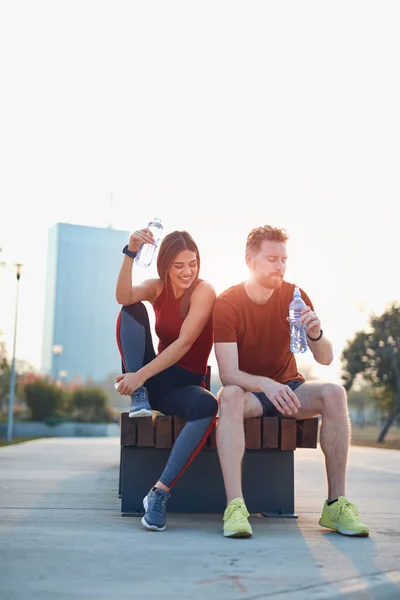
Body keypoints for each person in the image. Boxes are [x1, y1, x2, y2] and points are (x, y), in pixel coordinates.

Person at [212, 225, 370, 539]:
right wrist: (266, 385)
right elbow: (229, 373)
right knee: (227, 395)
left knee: (334, 393)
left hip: (290, 388)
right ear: (249, 260)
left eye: (284, 259)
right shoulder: (228, 302)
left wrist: (316, 334)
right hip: (251, 393)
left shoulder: (294, 295)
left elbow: (325, 358)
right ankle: (235, 506)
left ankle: (336, 504)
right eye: (272, 259)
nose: (280, 266)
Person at [115, 227, 218, 531]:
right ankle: (139, 397)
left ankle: (159, 493)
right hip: (153, 379)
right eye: (179, 265)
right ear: (165, 265)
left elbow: (185, 343)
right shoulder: (157, 287)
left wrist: (138, 376)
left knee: (207, 405)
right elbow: (123, 296)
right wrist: (131, 250)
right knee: (130, 308)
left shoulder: (204, 291)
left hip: (184, 383)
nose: (188, 271)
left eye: (193, 263)